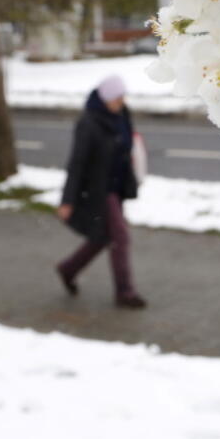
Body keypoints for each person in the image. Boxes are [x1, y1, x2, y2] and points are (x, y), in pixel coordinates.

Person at [55, 74, 147, 308]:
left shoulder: (122, 115)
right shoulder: (88, 123)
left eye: (123, 97)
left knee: (102, 237)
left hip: (117, 186)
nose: (121, 101)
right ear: (105, 97)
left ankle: (68, 269)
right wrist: (68, 200)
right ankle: (125, 292)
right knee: (120, 237)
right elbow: (76, 163)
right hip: (98, 190)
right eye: (117, 97)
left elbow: (126, 147)